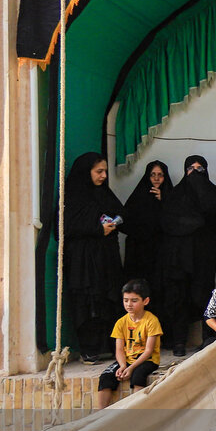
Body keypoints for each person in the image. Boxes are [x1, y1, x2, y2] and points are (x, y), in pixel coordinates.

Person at [62, 152, 125, 362]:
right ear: (85, 172)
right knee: (87, 302)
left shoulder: (103, 194)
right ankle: (89, 348)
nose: (104, 176)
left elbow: (121, 213)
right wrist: (97, 230)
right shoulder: (72, 196)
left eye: (105, 171)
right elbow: (65, 227)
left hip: (106, 258)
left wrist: (113, 224)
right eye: (99, 171)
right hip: (83, 262)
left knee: (108, 299)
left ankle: (109, 345)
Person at [158, 155, 216, 357]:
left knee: (205, 298)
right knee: (178, 300)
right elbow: (167, 223)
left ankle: (207, 340)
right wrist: (195, 222)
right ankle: (179, 342)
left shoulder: (213, 194)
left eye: (200, 169)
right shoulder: (174, 196)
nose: (194, 174)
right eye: (190, 170)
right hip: (179, 260)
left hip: (204, 259)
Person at [96, 279, 163, 410]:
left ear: (145, 301)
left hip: (146, 359)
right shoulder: (121, 322)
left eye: (134, 300)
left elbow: (149, 351)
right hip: (126, 359)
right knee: (106, 377)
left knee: (138, 376)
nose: (129, 304)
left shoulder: (151, 321)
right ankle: (99, 414)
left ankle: (135, 413)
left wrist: (131, 368)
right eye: (126, 300)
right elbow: (119, 349)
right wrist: (122, 366)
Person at [122, 161, 171, 330]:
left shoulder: (170, 196)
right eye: (153, 175)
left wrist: (163, 202)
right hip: (139, 254)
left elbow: (174, 223)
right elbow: (126, 221)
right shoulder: (139, 196)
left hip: (161, 255)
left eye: (160, 175)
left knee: (160, 291)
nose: (156, 179)